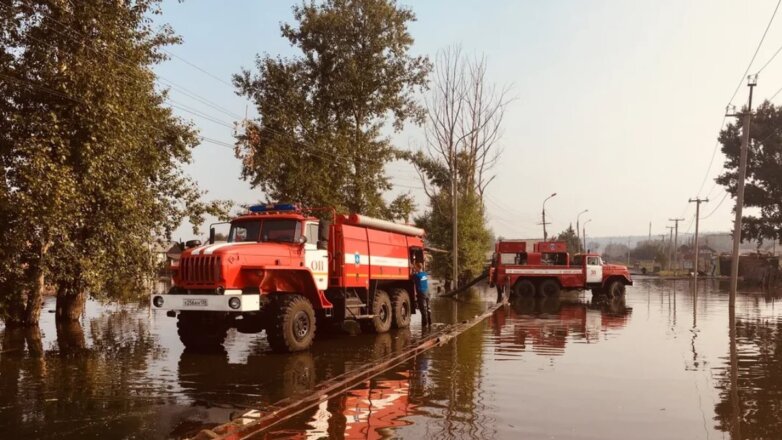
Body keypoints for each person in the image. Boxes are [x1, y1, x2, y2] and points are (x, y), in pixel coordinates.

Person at [413, 262, 431, 327]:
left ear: (418, 267)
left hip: (421, 293)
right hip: (427, 292)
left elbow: (412, 277)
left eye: (415, 267)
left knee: (423, 309)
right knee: (428, 308)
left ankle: (424, 324)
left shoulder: (417, 276)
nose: (414, 268)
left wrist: (413, 271)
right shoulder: (425, 274)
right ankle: (430, 322)